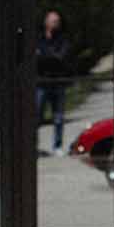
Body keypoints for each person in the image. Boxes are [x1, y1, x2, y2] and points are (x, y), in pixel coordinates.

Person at [35, 9, 71, 154]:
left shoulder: (63, 39)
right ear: (46, 22)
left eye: (57, 21)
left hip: (58, 82)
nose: (55, 24)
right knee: (36, 117)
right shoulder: (38, 39)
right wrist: (51, 57)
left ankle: (57, 146)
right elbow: (35, 60)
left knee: (58, 117)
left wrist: (44, 56)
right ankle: (34, 146)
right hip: (41, 83)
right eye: (53, 21)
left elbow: (62, 58)